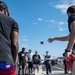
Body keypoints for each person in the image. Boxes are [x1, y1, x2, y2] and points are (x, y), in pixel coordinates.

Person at [48, 5, 75, 75]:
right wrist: (55, 38)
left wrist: (68, 50)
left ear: (68, 13)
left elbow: (74, 34)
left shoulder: (72, 17)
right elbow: (68, 37)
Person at [0, 1, 19, 75]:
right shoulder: (12, 21)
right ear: (5, 11)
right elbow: (14, 44)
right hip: (5, 60)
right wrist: (13, 60)